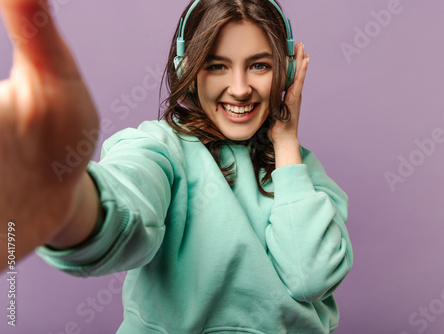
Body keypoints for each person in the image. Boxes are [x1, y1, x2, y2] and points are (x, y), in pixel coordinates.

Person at [0, 0, 353, 332]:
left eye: (259, 65)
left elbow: (310, 277)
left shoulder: (304, 173)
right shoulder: (160, 147)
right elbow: (129, 200)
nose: (241, 88)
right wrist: (69, 201)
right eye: (217, 65)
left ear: (286, 71)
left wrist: (287, 143)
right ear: (187, 67)